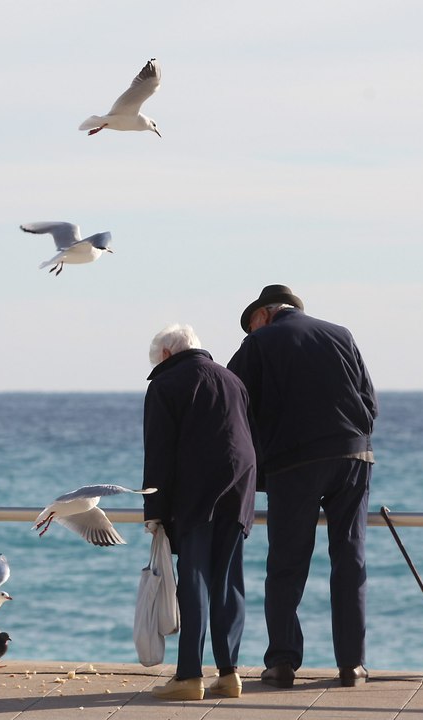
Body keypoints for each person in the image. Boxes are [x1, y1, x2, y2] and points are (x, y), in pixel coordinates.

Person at [228, 284, 377, 689]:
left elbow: (233, 405)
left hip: (294, 462)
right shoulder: (341, 334)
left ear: (263, 314)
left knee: (287, 565)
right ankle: (352, 665)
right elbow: (370, 403)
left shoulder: (259, 343)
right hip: (353, 456)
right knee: (350, 558)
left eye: (250, 324)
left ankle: (282, 663)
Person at [143, 324, 257, 702]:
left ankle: (189, 676)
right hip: (240, 486)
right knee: (228, 581)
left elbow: (158, 452)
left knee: (194, 582)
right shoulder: (231, 379)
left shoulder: (165, 384)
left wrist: (154, 511)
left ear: (165, 355)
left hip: (196, 494)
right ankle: (228, 674)